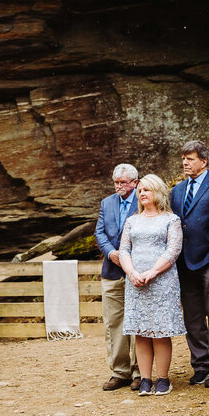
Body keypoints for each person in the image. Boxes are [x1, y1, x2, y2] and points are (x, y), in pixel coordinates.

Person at [169, 141, 209, 387]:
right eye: (183, 158)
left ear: (204, 162)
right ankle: (201, 364)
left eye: (191, 158)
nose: (185, 163)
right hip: (184, 262)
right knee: (192, 317)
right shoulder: (176, 191)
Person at [117, 174, 185, 396]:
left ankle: (163, 379)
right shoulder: (132, 221)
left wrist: (153, 271)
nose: (142, 193)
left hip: (162, 281)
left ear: (159, 192)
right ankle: (145, 379)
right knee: (141, 331)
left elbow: (173, 250)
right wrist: (132, 272)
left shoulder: (170, 219)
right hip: (135, 282)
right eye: (141, 190)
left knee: (160, 331)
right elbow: (124, 250)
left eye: (148, 189)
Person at [93, 164, 141, 391]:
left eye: (123, 182)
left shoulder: (143, 199)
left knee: (139, 320)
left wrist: (128, 258)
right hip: (111, 270)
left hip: (138, 269)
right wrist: (111, 253)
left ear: (134, 182)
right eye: (116, 182)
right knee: (114, 322)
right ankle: (119, 371)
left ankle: (141, 371)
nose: (119, 186)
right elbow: (99, 231)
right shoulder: (107, 203)